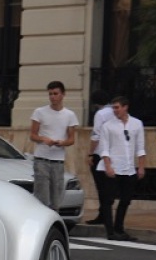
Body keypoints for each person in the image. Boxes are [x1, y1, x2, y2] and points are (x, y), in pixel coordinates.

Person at [95, 95, 145, 241]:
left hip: (128, 168)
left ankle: (119, 228)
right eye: (113, 108)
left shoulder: (137, 124)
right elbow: (104, 148)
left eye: (117, 107)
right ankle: (110, 231)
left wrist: (141, 167)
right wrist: (108, 166)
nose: (115, 110)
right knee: (108, 200)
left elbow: (140, 147)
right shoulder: (107, 125)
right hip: (111, 167)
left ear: (125, 107)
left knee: (126, 199)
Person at [29, 81, 78, 212]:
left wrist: (61, 143)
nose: (52, 97)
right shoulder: (39, 112)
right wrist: (43, 139)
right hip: (41, 160)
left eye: (55, 93)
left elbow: (71, 139)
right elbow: (33, 135)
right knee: (42, 198)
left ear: (63, 95)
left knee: (56, 199)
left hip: (58, 161)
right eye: (50, 94)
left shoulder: (69, 115)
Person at [85, 91, 114, 225]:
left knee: (101, 186)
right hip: (114, 153)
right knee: (109, 186)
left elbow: (96, 135)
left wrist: (90, 153)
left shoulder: (100, 114)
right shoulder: (115, 111)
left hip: (100, 153)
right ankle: (106, 214)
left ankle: (104, 214)